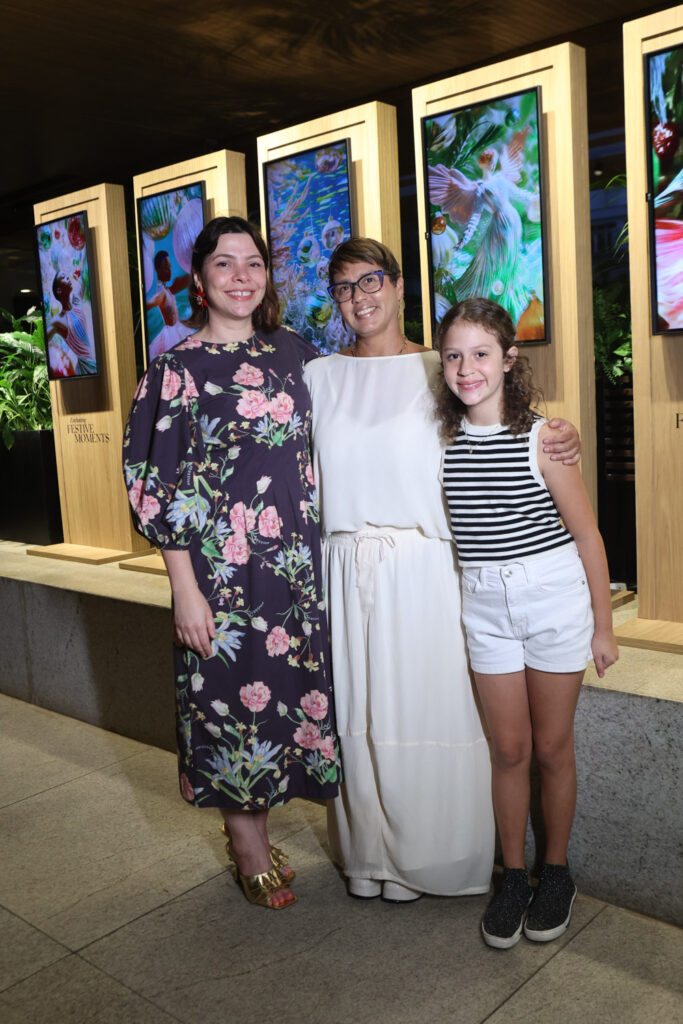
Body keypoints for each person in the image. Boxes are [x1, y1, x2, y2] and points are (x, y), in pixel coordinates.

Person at [303, 238, 581, 903]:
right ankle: (368, 857)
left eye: (372, 280)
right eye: (343, 286)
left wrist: (557, 431)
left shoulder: (441, 366)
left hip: (425, 569)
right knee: (359, 721)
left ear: (399, 285)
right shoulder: (316, 376)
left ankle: (431, 860)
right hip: (344, 568)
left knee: (424, 711)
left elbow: (500, 424)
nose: (359, 297)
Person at [123, 216, 340, 910]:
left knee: (280, 699)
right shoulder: (176, 369)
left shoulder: (295, 352)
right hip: (221, 573)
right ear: (199, 278)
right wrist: (184, 590)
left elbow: (361, 404)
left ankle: (254, 827)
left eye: (253, 263)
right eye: (224, 263)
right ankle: (247, 846)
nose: (241, 277)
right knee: (229, 700)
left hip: (295, 567)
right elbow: (156, 487)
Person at [436, 296, 618, 947]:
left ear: (510, 360)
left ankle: (556, 872)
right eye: (453, 356)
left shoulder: (544, 438)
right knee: (509, 750)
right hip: (484, 610)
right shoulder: (442, 443)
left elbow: (587, 536)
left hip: (552, 603)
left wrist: (603, 626)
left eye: (481, 354)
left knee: (550, 748)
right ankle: (513, 876)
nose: (466, 369)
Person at [145, 250, 192, 360]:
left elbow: (178, 285)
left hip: (178, 328)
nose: (170, 271)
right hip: (171, 333)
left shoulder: (166, 289)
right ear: (158, 270)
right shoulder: (160, 293)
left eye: (170, 267)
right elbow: (148, 304)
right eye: (166, 268)